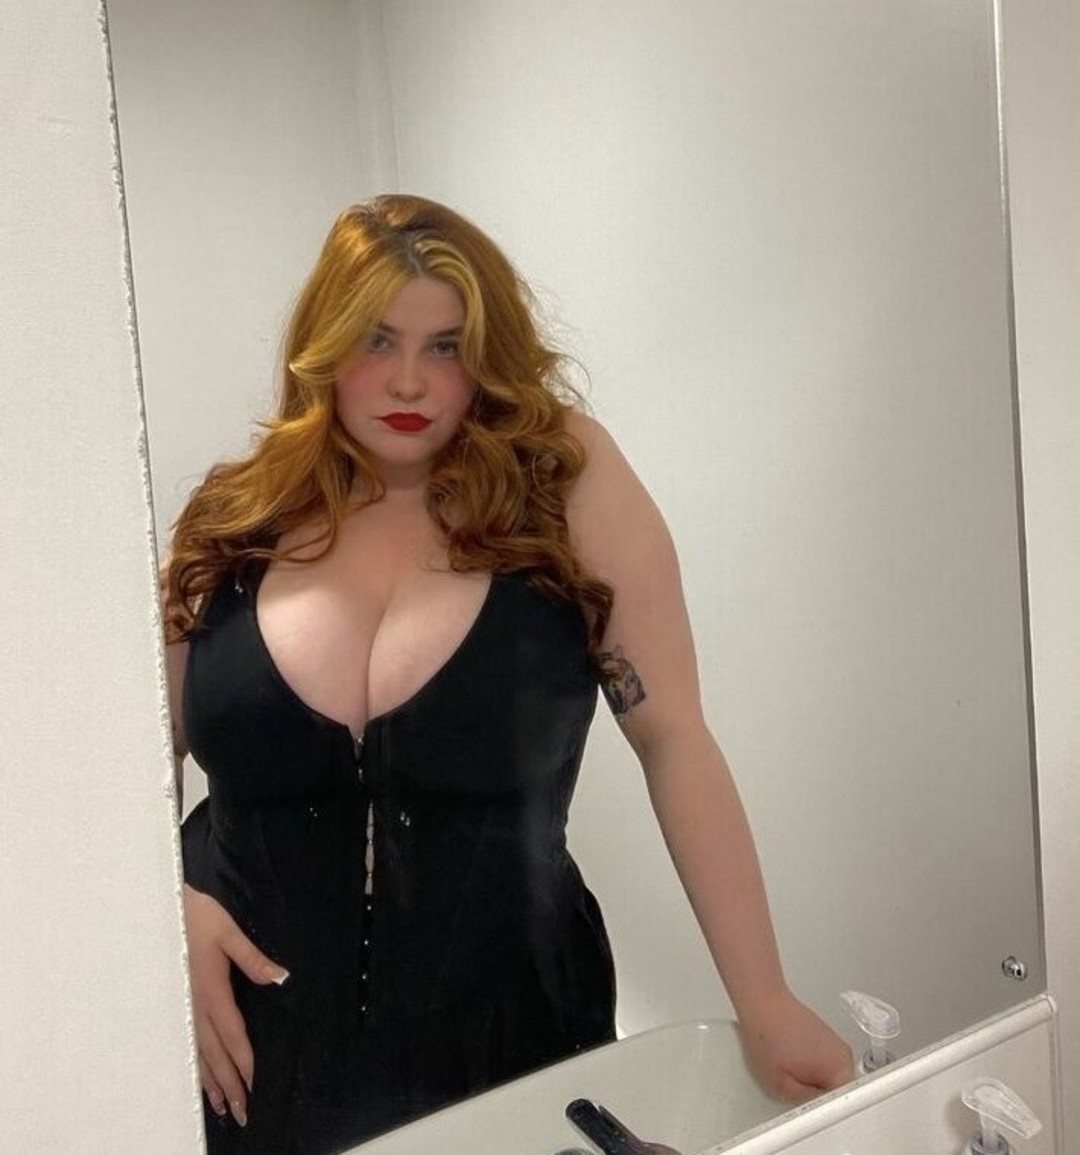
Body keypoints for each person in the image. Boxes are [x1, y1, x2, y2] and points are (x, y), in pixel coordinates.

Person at [164, 194, 853, 1155]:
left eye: (446, 346)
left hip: (513, 1047)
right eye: (377, 339)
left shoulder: (564, 486)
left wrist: (765, 998)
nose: (410, 379)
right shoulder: (232, 521)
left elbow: (674, 739)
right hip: (250, 1058)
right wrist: (167, 911)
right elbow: (122, 772)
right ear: (323, 344)